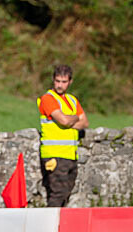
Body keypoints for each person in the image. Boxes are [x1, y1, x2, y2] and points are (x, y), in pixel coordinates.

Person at [37, 65, 89, 207]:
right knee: (57, 194)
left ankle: (58, 226)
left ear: (70, 82)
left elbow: (85, 123)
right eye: (57, 81)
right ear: (53, 80)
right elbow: (64, 120)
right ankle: (49, 226)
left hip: (70, 155)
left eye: (63, 82)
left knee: (65, 194)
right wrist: (73, 118)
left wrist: (69, 120)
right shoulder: (47, 99)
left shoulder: (72, 100)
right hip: (54, 155)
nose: (60, 85)